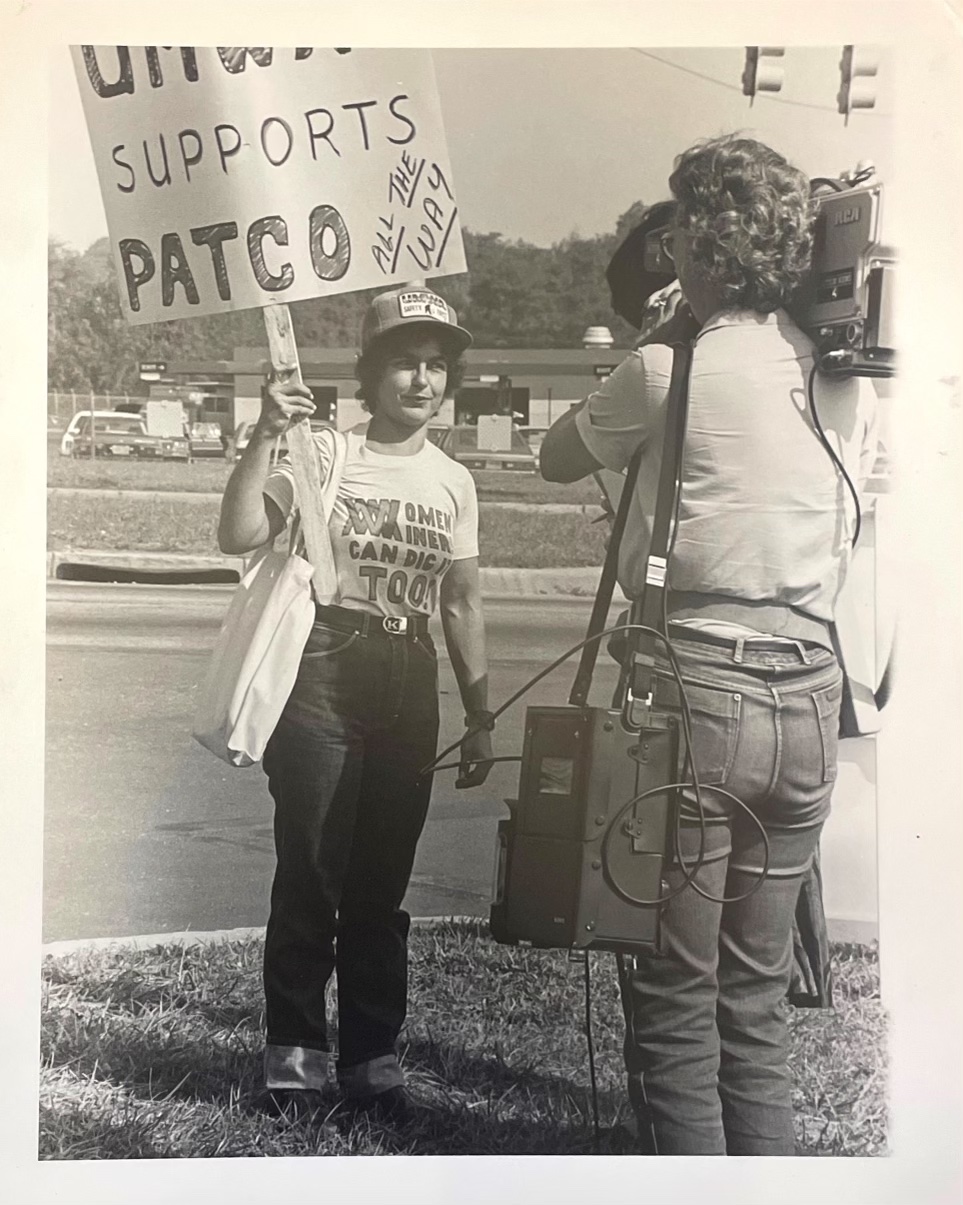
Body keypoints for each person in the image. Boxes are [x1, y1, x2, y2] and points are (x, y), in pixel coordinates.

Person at [540, 135, 879, 1156]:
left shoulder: (663, 365)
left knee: (677, 995)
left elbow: (559, 457)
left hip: (700, 689)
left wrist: (664, 337)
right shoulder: (836, 370)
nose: (674, 239)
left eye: (683, 225)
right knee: (756, 993)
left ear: (704, 241)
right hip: (810, 693)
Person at [217, 283, 494, 1124]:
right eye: (405, 364)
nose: (422, 381)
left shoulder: (454, 480)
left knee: (381, 888)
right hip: (326, 667)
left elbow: (461, 602)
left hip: (409, 682)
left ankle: (373, 1062)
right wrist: (268, 432)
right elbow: (235, 536)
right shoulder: (322, 455)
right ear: (370, 375)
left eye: (437, 368)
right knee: (310, 872)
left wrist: (480, 712)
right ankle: (294, 1067)